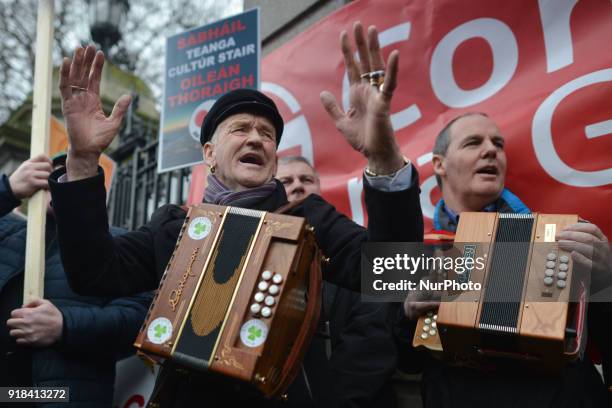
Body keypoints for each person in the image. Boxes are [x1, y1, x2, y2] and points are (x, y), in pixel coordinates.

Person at [48, 22, 423, 407]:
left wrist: (383, 156)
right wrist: (82, 160)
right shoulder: (174, 225)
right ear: (209, 154)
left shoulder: (308, 218)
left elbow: (397, 270)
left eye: (267, 134)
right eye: (240, 129)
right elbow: (92, 272)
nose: (256, 138)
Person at [397, 112, 612, 407]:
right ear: (439, 164)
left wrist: (606, 280)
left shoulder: (563, 237)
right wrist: (408, 316)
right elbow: (403, 363)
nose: (491, 150)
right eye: (473, 142)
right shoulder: (416, 250)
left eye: (498, 144)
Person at [0, 152, 153, 407]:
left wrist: (64, 326)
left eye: (74, 176)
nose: (61, 183)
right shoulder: (9, 232)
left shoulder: (118, 245)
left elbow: (141, 319)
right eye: (55, 175)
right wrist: (7, 189)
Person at [277, 156, 397, 407]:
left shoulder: (355, 250)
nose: (297, 186)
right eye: (286, 181)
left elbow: (371, 345)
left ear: (319, 189)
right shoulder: (263, 262)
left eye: (306, 179)